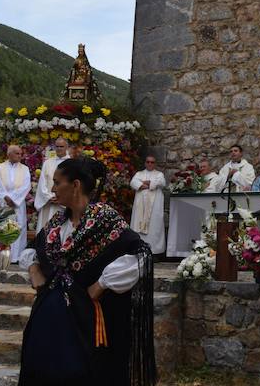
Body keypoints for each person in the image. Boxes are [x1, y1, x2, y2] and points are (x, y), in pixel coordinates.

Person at [18, 157, 156, 386]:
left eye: (57, 182)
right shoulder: (56, 222)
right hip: (47, 315)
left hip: (84, 322)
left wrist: (101, 284)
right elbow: (34, 249)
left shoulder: (105, 220)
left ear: (75, 185)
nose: (52, 189)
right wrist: (34, 270)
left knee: (77, 372)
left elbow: (141, 254)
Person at [0, 145, 32, 262]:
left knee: (17, 227)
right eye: (17, 153)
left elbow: (26, 186)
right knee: (2, 226)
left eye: (20, 154)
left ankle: (15, 256)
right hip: (3, 204)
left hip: (17, 205)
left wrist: (13, 199)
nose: (20, 156)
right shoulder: (0, 167)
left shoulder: (25, 169)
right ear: (9, 154)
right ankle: (0, 254)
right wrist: (5, 197)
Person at [129, 156, 166, 255]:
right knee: (138, 226)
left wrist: (147, 183)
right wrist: (143, 185)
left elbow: (162, 182)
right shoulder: (139, 174)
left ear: (155, 164)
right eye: (148, 162)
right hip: (140, 208)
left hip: (154, 208)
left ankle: (155, 252)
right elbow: (133, 182)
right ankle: (139, 250)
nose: (150, 164)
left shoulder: (159, 174)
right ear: (145, 163)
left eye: (152, 162)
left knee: (154, 227)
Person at [35, 138, 70, 231]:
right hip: (48, 202)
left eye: (61, 146)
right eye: (57, 146)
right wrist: (49, 196)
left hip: (63, 203)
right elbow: (42, 183)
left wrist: (61, 198)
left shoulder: (72, 163)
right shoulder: (47, 163)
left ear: (66, 147)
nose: (59, 149)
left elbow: (71, 183)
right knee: (45, 230)